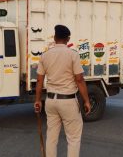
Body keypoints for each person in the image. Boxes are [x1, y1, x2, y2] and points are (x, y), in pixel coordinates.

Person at [34, 24, 91, 157]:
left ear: (54, 38)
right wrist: (87, 101)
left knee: (51, 138)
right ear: (68, 39)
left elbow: (39, 81)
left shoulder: (45, 56)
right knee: (73, 139)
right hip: (68, 101)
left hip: (50, 101)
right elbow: (79, 80)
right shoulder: (73, 55)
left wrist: (37, 100)